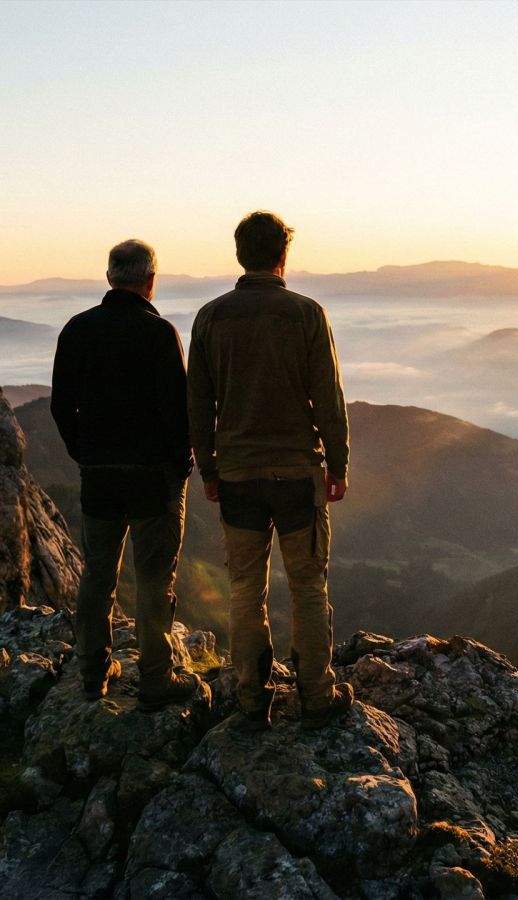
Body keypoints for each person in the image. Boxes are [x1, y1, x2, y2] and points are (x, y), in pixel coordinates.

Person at [187, 211, 353, 731]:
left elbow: (198, 403)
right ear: (284, 255)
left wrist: (209, 469)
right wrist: (338, 463)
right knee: (306, 586)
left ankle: (252, 700)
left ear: (240, 255)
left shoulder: (210, 318)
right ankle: (316, 696)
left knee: (243, 589)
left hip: (237, 475)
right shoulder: (306, 314)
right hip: (296, 474)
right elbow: (328, 399)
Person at [51, 239, 210, 711]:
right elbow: (178, 413)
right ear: (150, 279)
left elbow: (63, 406)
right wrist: (180, 466)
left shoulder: (76, 330)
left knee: (97, 574)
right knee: (154, 578)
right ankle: (156, 677)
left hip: (99, 473)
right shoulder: (158, 332)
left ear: (108, 277)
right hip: (151, 477)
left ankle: (92, 673)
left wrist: (85, 453)